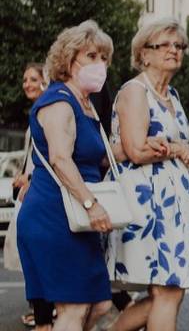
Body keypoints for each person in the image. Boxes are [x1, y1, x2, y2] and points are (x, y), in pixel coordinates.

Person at [105, 18, 189, 331]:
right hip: (148, 205)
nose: (174, 51)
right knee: (168, 290)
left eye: (179, 46)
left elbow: (168, 143)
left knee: (167, 291)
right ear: (144, 54)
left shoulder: (172, 95)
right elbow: (137, 150)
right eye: (164, 45)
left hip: (173, 205)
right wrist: (180, 149)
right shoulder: (134, 92)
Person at [16, 21, 117, 331]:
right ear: (68, 61)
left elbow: (99, 154)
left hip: (74, 216)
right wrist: (91, 204)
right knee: (73, 308)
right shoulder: (59, 100)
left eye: (103, 57)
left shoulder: (85, 104)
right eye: (91, 56)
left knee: (99, 305)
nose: (99, 64)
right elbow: (60, 158)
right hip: (55, 214)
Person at [4, 63, 56, 330]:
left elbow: (53, 154)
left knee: (38, 251)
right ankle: (42, 312)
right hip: (32, 189)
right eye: (24, 79)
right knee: (33, 251)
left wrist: (31, 177)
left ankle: (44, 313)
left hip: (42, 190)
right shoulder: (36, 111)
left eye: (33, 79)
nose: (27, 84)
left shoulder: (48, 110)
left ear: (45, 81)